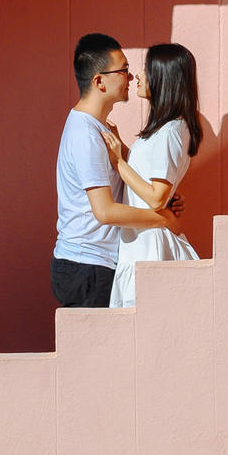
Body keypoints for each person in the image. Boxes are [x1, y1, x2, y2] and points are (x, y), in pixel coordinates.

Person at [51, 32, 183, 309]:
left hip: (95, 264)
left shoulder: (101, 129)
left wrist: (161, 198)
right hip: (86, 266)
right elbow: (105, 211)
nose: (131, 77)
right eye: (123, 70)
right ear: (99, 81)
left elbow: (127, 183)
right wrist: (161, 218)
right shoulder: (85, 134)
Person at [100, 42, 202, 308]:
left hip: (150, 247)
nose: (138, 76)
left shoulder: (171, 131)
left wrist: (119, 163)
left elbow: (157, 199)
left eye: (146, 70)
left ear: (163, 78)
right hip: (139, 242)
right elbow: (150, 177)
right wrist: (122, 147)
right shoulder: (164, 130)